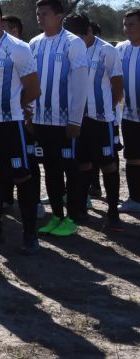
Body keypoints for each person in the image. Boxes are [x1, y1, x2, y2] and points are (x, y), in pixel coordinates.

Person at [0, 2, 45, 254]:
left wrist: (14, 105)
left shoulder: (18, 48)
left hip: (10, 125)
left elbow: (33, 89)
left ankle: (30, 234)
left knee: (21, 177)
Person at [31, 0, 90, 237]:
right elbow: (30, 81)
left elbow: (81, 84)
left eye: (44, 13)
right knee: (51, 169)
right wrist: (30, 115)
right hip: (41, 120)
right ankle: (57, 215)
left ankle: (73, 217)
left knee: (71, 169)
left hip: (65, 122)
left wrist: (75, 119)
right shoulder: (34, 43)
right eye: (38, 14)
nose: (40, 18)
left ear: (59, 16)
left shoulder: (73, 43)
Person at [63, 13, 124, 232]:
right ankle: (79, 209)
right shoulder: (69, 47)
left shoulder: (107, 50)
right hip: (77, 119)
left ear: (89, 31)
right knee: (82, 164)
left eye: (79, 36)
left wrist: (106, 108)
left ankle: (113, 213)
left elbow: (118, 86)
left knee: (108, 164)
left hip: (101, 119)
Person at [118, 9, 140, 214]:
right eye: (125, 24)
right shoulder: (121, 49)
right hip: (130, 115)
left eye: (131, 24)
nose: (127, 28)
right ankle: (135, 198)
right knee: (132, 157)